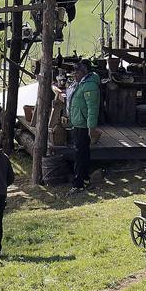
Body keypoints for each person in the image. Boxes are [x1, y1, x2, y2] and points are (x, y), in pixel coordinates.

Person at [62, 61, 101, 196]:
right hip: (77, 122)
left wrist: (91, 128)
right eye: (73, 73)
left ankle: (78, 184)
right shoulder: (80, 84)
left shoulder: (89, 86)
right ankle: (84, 179)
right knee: (82, 153)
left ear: (84, 72)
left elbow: (92, 109)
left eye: (77, 73)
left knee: (80, 155)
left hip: (83, 125)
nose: (74, 75)